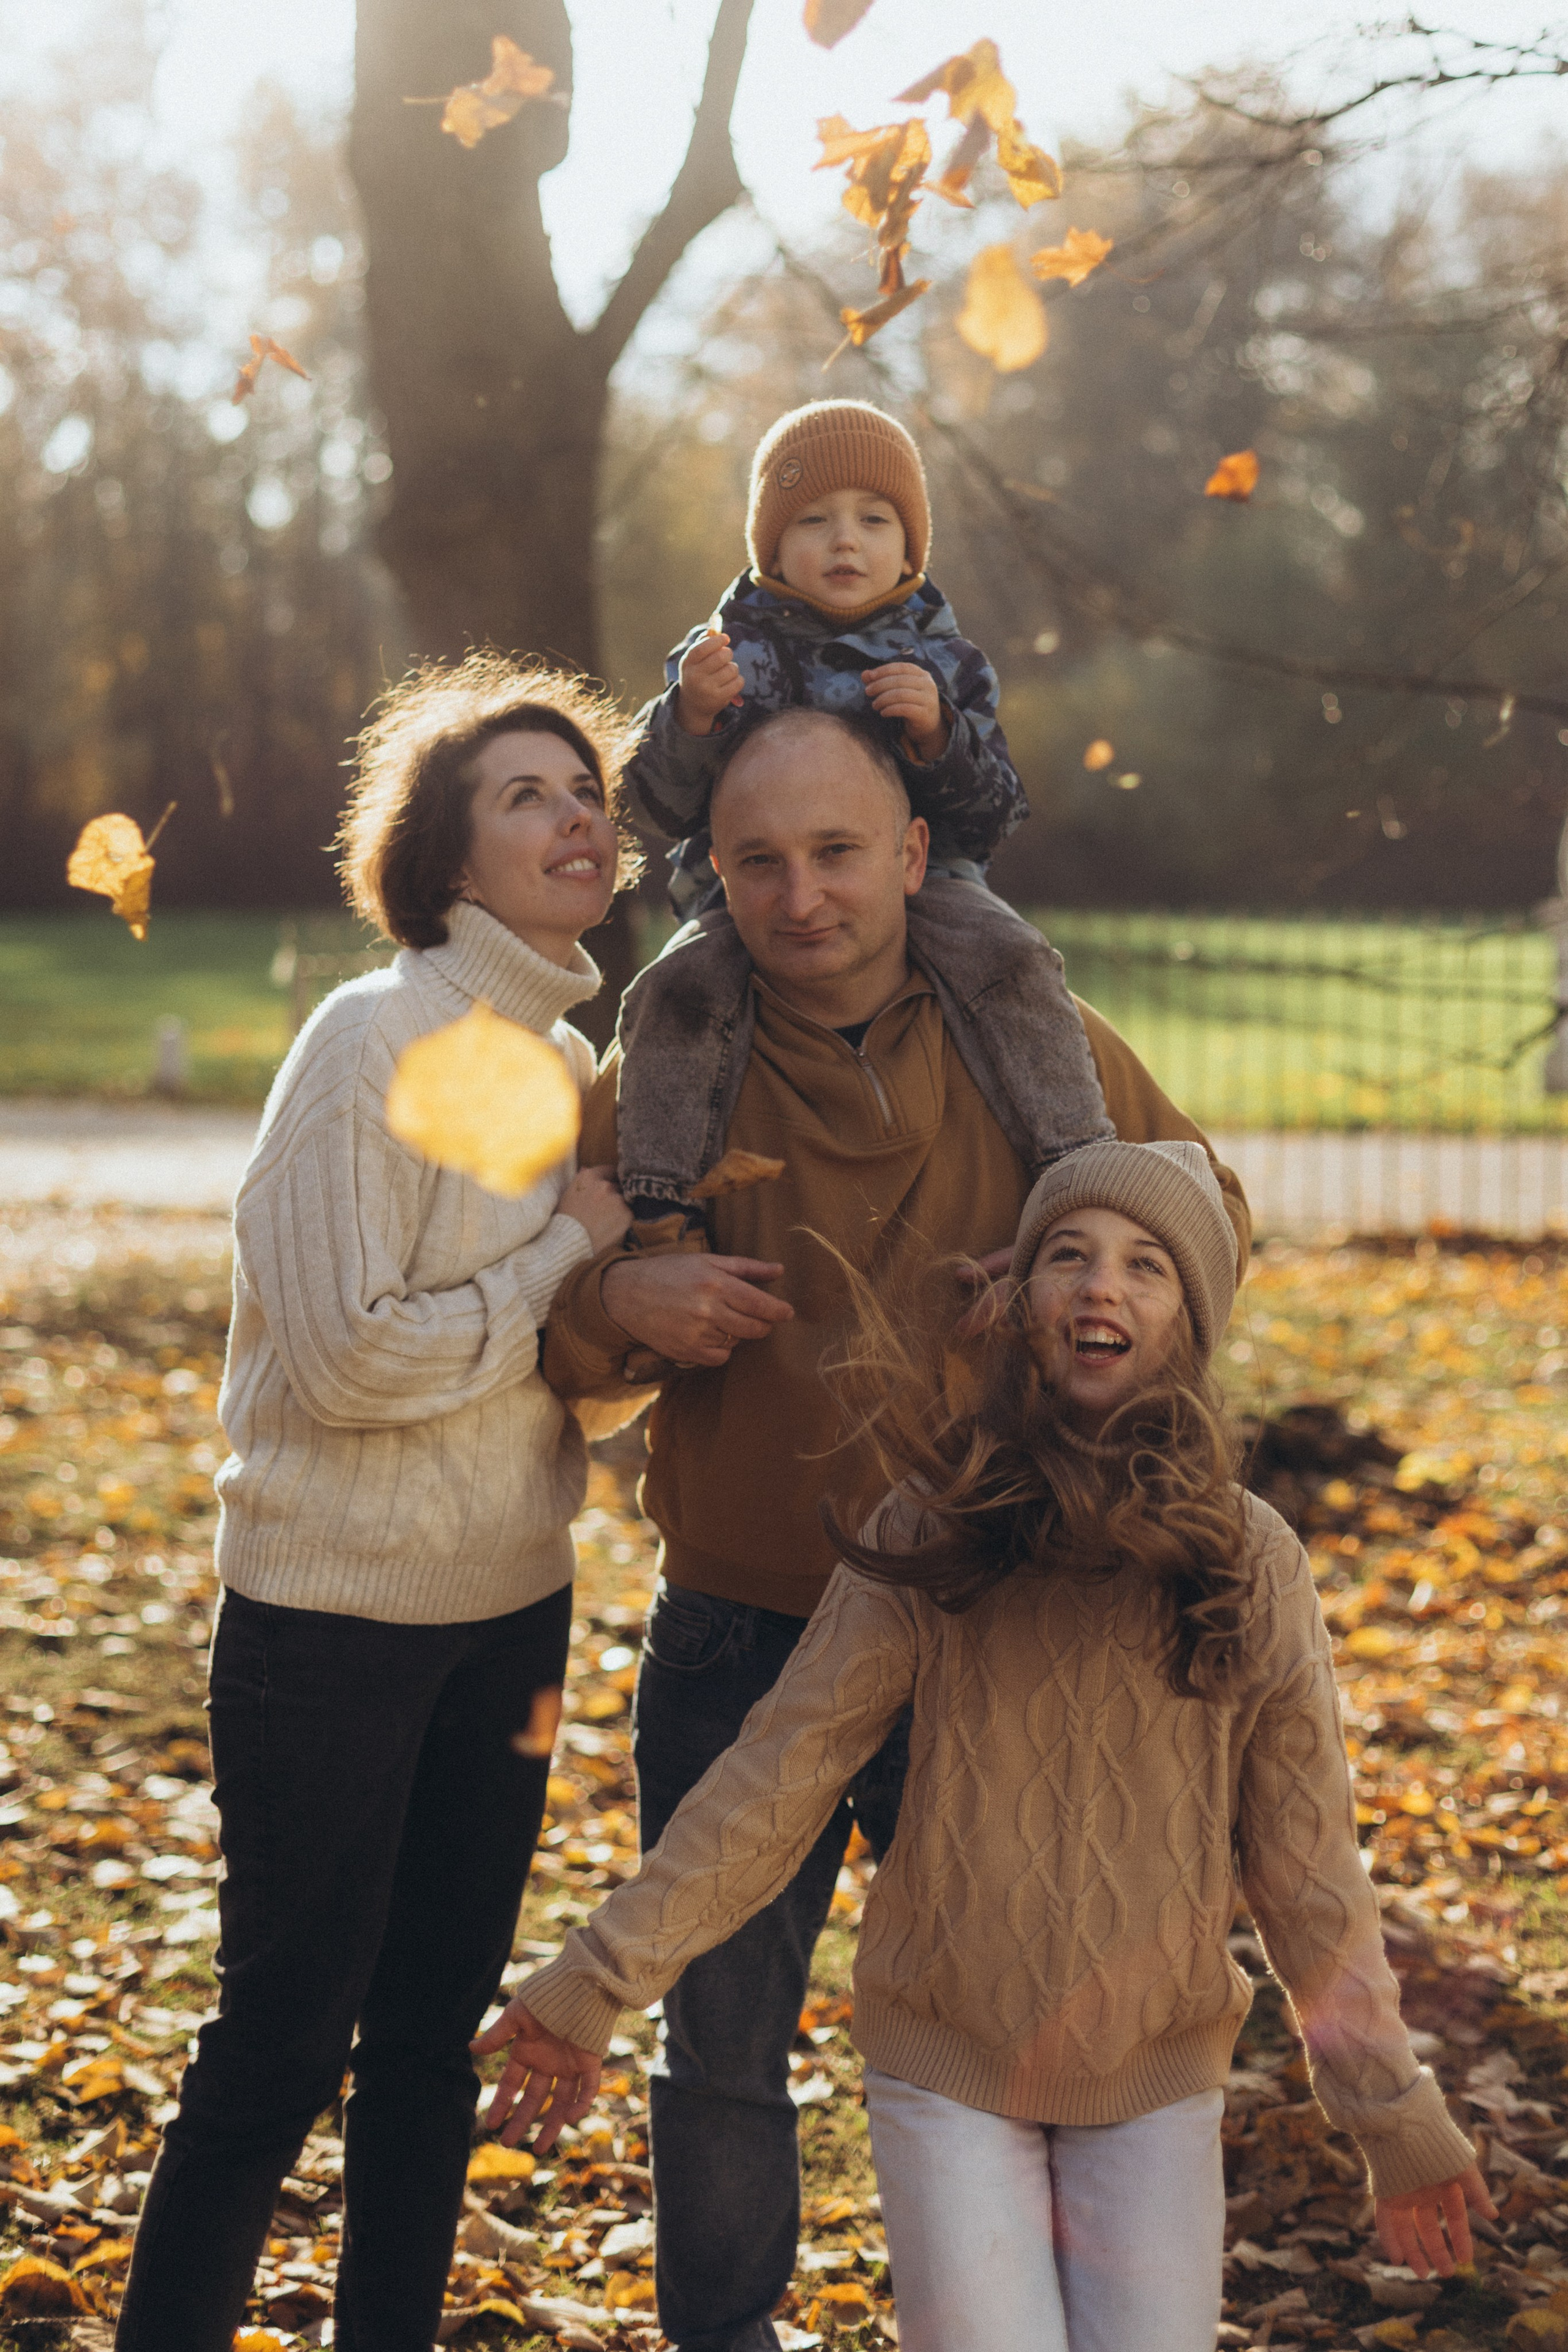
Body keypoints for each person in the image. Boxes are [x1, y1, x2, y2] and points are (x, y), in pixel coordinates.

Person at [477, 1138, 1493, 2352]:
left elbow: (1306, 1866)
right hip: (947, 2058)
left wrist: (1391, 2112)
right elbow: (778, 1776)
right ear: (1024, 1308)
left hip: (1154, 2070)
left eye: (1143, 1266)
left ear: (1192, 1322)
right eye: (1066, 1253)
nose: (1099, 1284)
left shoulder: (1249, 1556)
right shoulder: (931, 1524)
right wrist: (595, 1976)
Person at [537, 701, 1254, 2352]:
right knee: (721, 2029)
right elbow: (555, 1334)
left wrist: (1080, 1277)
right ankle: (726, 2327)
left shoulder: (1031, 1039)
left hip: (992, 1615)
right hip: (745, 1623)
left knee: (1033, 2014)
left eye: (839, 853)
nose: (802, 897)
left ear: (917, 854)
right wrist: (626, 1291)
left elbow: (1204, 1208)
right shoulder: (668, 1074)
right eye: (758, 864)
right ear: (712, 880)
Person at [113, 654, 638, 2352]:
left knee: (431, 2043)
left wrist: (644, 1332)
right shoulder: (372, 1039)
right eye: (528, 794)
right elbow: (348, 1364)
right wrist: (572, 1252)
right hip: (331, 1622)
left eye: (590, 792)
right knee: (281, 2042)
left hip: (510, 1617)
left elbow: (538, 1367)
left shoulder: (564, 1068)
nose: (576, 817)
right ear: (445, 854)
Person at [614, 398, 1114, 1224]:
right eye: (813, 519)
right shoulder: (720, 655)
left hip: (930, 886)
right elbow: (651, 805)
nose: (845, 540)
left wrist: (937, 737)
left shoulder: (947, 663)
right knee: (674, 992)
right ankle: (664, 1203)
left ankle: (1074, 1160)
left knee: (1014, 961)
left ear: (910, 545)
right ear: (769, 543)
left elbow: (992, 817)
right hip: (748, 898)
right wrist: (688, 719)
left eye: (874, 519)